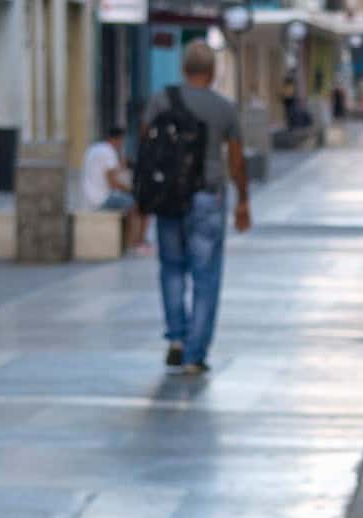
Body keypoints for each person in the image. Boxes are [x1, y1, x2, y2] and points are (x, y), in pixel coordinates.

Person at [143, 42, 250, 376]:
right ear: (214, 71)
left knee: (171, 268)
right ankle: (194, 354)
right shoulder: (224, 108)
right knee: (206, 276)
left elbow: (147, 143)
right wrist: (243, 200)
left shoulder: (161, 100)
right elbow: (235, 159)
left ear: (184, 69)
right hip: (207, 197)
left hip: (168, 198)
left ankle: (176, 336)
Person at [81, 126, 144, 251]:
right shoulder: (108, 152)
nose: (122, 145)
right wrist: (133, 190)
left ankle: (128, 242)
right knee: (135, 204)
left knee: (126, 201)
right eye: (122, 141)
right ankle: (133, 244)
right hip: (100, 198)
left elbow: (117, 171)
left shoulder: (96, 148)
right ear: (118, 140)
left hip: (88, 197)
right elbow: (113, 183)